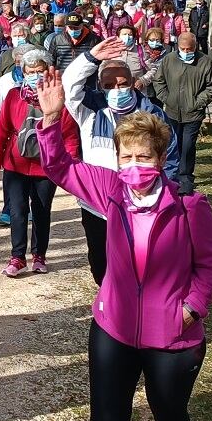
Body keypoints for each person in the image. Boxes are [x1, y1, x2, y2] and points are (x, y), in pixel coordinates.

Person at [34, 79, 212, 421]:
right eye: (126, 157)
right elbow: (57, 165)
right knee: (106, 419)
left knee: (169, 415)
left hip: (172, 335)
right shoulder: (108, 190)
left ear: (161, 159)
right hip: (114, 329)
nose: (134, 167)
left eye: (143, 157)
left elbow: (211, 264)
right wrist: (52, 117)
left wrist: (192, 308)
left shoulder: (188, 206)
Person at [63, 40, 182, 286]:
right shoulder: (90, 110)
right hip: (97, 205)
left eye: (122, 83)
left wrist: (164, 195)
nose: (117, 89)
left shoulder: (153, 114)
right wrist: (92, 57)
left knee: (139, 263)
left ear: (132, 83)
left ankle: (134, 306)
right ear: (100, 87)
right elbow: (69, 85)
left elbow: (169, 158)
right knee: (100, 262)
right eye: (109, 85)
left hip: (142, 203)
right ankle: (109, 300)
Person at [0, 51, 80, 277]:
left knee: (41, 211)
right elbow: (2, 128)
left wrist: (72, 167)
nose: (35, 76)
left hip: (46, 166)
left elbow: (69, 134)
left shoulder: (59, 97)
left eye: (40, 71)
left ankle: (39, 255)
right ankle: (17, 257)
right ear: (23, 73)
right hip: (15, 164)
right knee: (17, 211)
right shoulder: (13, 96)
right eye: (30, 72)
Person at [150, 32, 212, 196]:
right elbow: (158, 81)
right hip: (172, 112)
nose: (186, 52)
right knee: (173, 145)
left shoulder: (205, 62)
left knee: (188, 146)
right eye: (183, 48)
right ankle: (171, 176)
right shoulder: (169, 60)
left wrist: (197, 102)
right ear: (178, 47)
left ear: (195, 47)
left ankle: (186, 177)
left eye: (190, 49)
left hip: (193, 114)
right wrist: (167, 98)